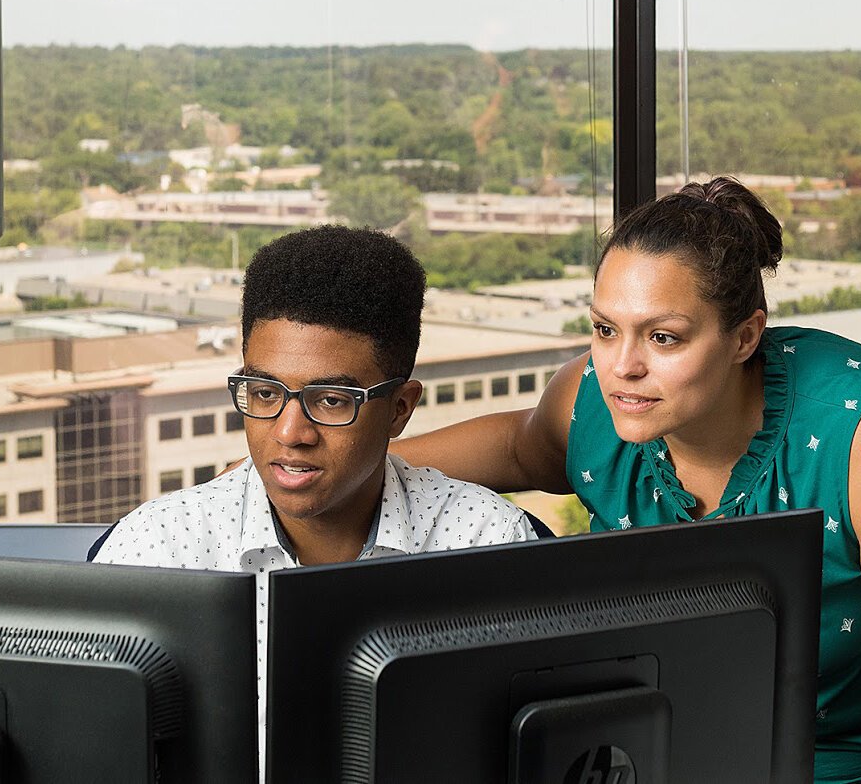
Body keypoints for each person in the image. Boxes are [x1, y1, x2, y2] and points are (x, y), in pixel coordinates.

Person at [397, 177, 861, 784]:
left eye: (664, 337)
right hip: (699, 741)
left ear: (745, 337)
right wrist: (361, 465)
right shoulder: (595, 399)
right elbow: (516, 448)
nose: (622, 368)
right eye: (604, 328)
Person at [93, 225, 535, 779]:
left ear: (400, 407)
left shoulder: (485, 545)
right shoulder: (157, 550)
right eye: (264, 393)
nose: (289, 432)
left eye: (330, 400)